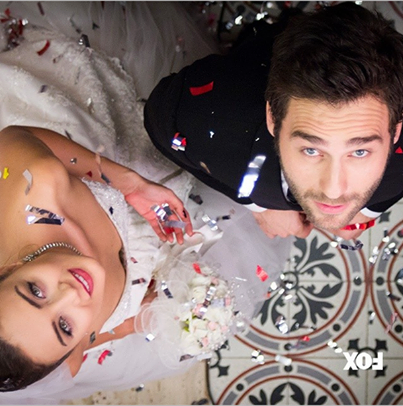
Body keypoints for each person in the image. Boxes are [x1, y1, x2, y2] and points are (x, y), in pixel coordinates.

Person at [0, 3, 294, 404]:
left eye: (35, 290)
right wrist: (161, 311)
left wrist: (127, 182)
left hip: (80, 133)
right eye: (64, 326)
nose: (70, 293)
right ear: (72, 350)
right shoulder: (77, 343)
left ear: (9, 268)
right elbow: (109, 330)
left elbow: (18, 136)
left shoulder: (39, 189)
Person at [145, 2, 403, 242]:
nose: (333, 191)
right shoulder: (201, 118)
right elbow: (158, 120)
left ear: (395, 133)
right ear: (273, 119)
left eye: (359, 152)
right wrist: (259, 204)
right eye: (311, 150)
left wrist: (368, 211)